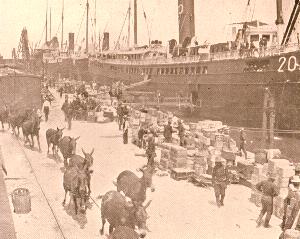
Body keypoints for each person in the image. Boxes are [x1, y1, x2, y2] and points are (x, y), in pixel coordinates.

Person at [281, 164, 300, 230]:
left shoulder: (291, 178)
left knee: (287, 213)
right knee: (290, 214)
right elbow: (292, 188)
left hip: (291, 199)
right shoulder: (292, 181)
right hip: (291, 199)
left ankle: (284, 225)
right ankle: (285, 226)